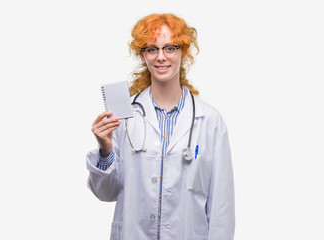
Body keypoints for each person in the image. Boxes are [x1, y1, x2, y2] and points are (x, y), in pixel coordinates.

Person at [87, 13, 235, 240]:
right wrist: (105, 150)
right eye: (152, 49)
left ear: (183, 51)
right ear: (143, 55)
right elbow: (105, 193)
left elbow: (221, 209)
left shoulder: (210, 121)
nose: (161, 57)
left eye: (170, 48)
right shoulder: (124, 118)